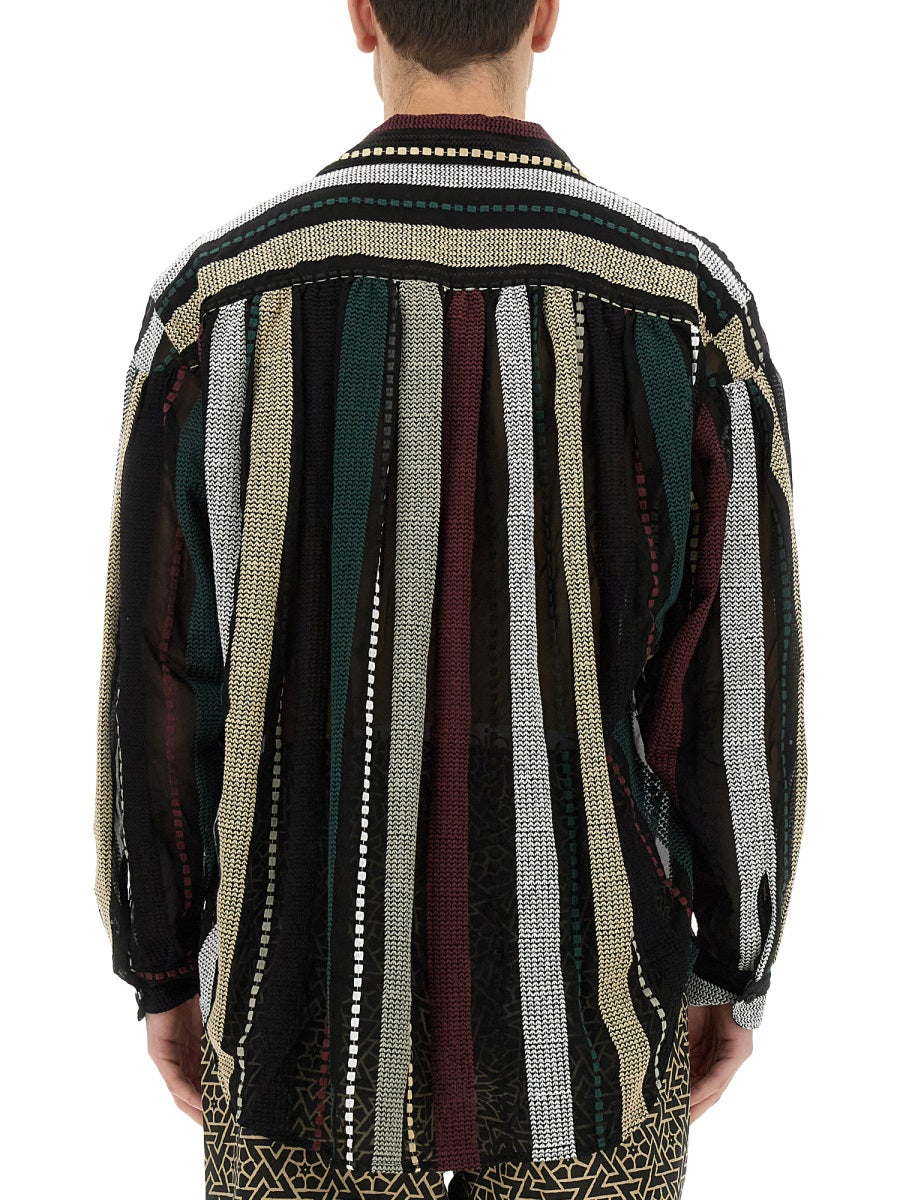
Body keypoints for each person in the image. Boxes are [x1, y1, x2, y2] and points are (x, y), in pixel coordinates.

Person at [92, 2, 808, 1197]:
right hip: (591, 1039)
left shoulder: (215, 300)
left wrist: (162, 961)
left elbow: (160, 670)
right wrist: (734, 968)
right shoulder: (686, 306)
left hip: (291, 1038)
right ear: (546, 15)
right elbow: (738, 681)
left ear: (362, 16)